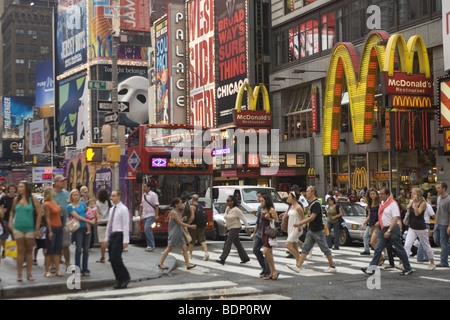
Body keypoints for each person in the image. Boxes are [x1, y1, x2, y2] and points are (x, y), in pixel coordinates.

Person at [361, 188, 413, 276]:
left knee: (399, 248)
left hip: (392, 229)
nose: (380, 195)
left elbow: (395, 218)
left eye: (382, 194)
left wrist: (389, 230)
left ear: (387, 194)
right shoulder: (382, 203)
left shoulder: (393, 204)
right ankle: (371, 268)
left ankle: (407, 268)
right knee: (378, 248)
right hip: (383, 228)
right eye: (380, 194)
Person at [294, 186, 337, 273]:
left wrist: (300, 223)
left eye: (308, 191)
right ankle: (298, 266)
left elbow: (312, 217)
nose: (306, 193)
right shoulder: (311, 203)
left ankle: (332, 266)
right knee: (305, 248)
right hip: (312, 229)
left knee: (325, 248)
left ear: (312, 192)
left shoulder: (316, 204)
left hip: (318, 230)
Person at [8, 181, 43, 282]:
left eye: (21, 187)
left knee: (29, 251)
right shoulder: (16, 199)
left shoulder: (33, 199)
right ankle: (19, 274)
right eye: (18, 186)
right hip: (18, 228)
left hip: (30, 229)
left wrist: (37, 229)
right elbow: (12, 212)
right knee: (20, 251)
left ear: (26, 188)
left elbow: (39, 214)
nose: (19, 188)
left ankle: (29, 273)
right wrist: (10, 222)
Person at [159, 197, 196, 270]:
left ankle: (188, 264)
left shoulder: (177, 211)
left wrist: (183, 218)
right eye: (180, 203)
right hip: (174, 233)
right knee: (169, 248)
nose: (181, 204)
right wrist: (190, 226)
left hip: (179, 232)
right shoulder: (174, 212)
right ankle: (160, 263)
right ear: (176, 204)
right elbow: (180, 223)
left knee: (184, 247)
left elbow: (179, 221)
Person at [105, 190, 131, 289]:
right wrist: (106, 238)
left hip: (119, 235)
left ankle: (125, 277)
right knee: (112, 258)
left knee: (116, 257)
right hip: (112, 235)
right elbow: (109, 224)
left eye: (113, 196)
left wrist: (125, 240)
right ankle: (119, 279)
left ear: (119, 197)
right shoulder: (112, 209)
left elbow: (125, 225)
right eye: (111, 195)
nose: (111, 197)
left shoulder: (123, 209)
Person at [404, 188, 435, 270]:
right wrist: (410, 205)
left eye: (413, 193)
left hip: (421, 228)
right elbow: (408, 209)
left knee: (426, 246)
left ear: (417, 195)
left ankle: (432, 262)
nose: (411, 194)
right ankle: (404, 263)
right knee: (407, 245)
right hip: (412, 227)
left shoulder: (423, 203)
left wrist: (414, 204)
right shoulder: (411, 202)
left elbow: (417, 213)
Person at [216, 195, 251, 265]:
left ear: (232, 201)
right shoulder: (227, 208)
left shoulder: (236, 210)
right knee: (237, 244)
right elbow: (227, 219)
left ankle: (222, 259)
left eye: (228, 201)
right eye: (226, 200)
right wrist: (225, 227)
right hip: (230, 227)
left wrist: (247, 228)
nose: (227, 202)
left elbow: (243, 219)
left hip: (236, 227)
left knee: (228, 243)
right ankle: (245, 258)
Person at [68, 189, 93, 276]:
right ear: (71, 196)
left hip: (86, 228)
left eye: (77, 195)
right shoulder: (70, 206)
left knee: (86, 250)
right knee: (78, 250)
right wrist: (88, 221)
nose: (76, 196)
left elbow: (90, 212)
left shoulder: (82, 204)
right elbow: (77, 216)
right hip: (78, 229)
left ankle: (85, 269)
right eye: (74, 195)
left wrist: (93, 218)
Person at [42, 187, 64, 278]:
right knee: (50, 250)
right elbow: (47, 218)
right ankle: (47, 271)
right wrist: (50, 231)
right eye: (53, 191)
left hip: (59, 228)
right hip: (52, 228)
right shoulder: (47, 204)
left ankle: (57, 270)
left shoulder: (53, 203)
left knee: (58, 250)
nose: (55, 192)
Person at [260, 193, 280, 280]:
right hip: (264, 232)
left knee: (266, 251)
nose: (261, 202)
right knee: (268, 253)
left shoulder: (271, 210)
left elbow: (277, 221)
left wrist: (269, 219)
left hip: (270, 232)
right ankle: (272, 272)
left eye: (262, 201)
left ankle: (274, 271)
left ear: (267, 201)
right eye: (260, 201)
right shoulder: (262, 210)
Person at [251, 191, 270, 278]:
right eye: (258, 197)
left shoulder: (270, 209)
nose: (258, 199)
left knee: (266, 252)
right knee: (255, 250)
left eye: (260, 197)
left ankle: (267, 271)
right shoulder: (259, 208)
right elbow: (257, 221)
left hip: (266, 233)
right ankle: (264, 268)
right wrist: (254, 233)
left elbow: (275, 221)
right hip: (259, 232)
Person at [284, 192, 305, 273]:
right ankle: (298, 264)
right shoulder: (291, 206)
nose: (288, 198)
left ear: (294, 198)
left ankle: (299, 260)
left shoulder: (298, 207)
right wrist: (283, 215)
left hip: (297, 228)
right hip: (290, 227)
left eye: (289, 197)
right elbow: (289, 214)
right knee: (294, 246)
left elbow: (303, 218)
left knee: (287, 245)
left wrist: (300, 225)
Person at [53, 175, 70, 270]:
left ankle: (68, 263)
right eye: (61, 181)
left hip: (65, 223)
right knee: (55, 246)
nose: (64, 183)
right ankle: (55, 265)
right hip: (54, 224)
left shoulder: (67, 193)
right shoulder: (52, 194)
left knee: (66, 245)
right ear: (56, 182)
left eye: (64, 181)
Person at [187, 194, 209, 261]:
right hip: (201, 225)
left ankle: (190, 254)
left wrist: (188, 223)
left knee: (192, 240)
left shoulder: (192, 206)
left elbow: (192, 216)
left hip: (194, 225)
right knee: (202, 240)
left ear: (192, 199)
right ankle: (206, 253)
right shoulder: (201, 206)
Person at [139, 182, 159, 252]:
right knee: (147, 230)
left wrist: (156, 215)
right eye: (143, 187)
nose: (144, 188)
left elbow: (156, 205)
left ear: (149, 187)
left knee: (147, 228)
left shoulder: (153, 195)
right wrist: (139, 214)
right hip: (145, 215)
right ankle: (149, 245)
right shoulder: (143, 195)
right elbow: (141, 205)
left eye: (145, 187)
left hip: (151, 214)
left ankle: (151, 245)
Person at [434, 182, 450, 267]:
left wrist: (449, 226)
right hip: (438, 223)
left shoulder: (448, 199)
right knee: (436, 240)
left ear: (444, 188)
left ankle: (444, 262)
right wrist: (435, 222)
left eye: (439, 188)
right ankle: (446, 250)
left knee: (443, 243)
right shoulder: (439, 198)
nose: (437, 189)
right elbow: (437, 210)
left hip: (444, 224)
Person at [360, 188, 380, 255]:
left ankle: (383, 253)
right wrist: (364, 223)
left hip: (377, 223)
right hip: (371, 223)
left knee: (375, 241)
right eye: (371, 194)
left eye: (373, 194)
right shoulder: (370, 204)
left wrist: (379, 221)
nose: (372, 195)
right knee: (367, 237)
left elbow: (382, 214)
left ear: (376, 194)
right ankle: (368, 250)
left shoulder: (379, 203)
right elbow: (369, 215)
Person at [0, 184, 17, 258]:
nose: (12, 190)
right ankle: (4, 250)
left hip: (15, 220)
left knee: (14, 237)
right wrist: (1, 210)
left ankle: (13, 252)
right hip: (5, 220)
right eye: (10, 189)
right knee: (4, 237)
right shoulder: (4, 198)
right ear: (8, 190)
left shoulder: (17, 198)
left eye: (13, 189)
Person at [95, 188, 111, 263]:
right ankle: (111, 257)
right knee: (110, 241)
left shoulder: (97, 203)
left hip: (101, 223)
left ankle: (103, 257)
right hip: (109, 222)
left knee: (102, 241)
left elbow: (96, 212)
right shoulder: (110, 202)